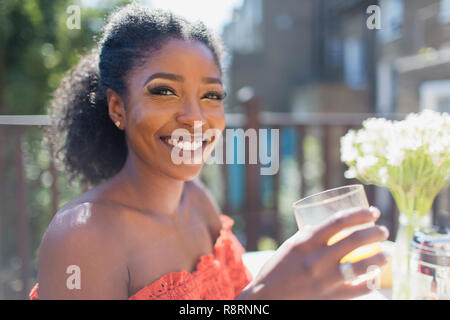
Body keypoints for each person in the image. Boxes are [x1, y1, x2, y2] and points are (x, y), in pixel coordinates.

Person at [30, 3, 389, 300]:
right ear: (118, 108)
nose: (195, 117)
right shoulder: (81, 236)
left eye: (211, 95)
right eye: (164, 91)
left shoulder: (197, 201)